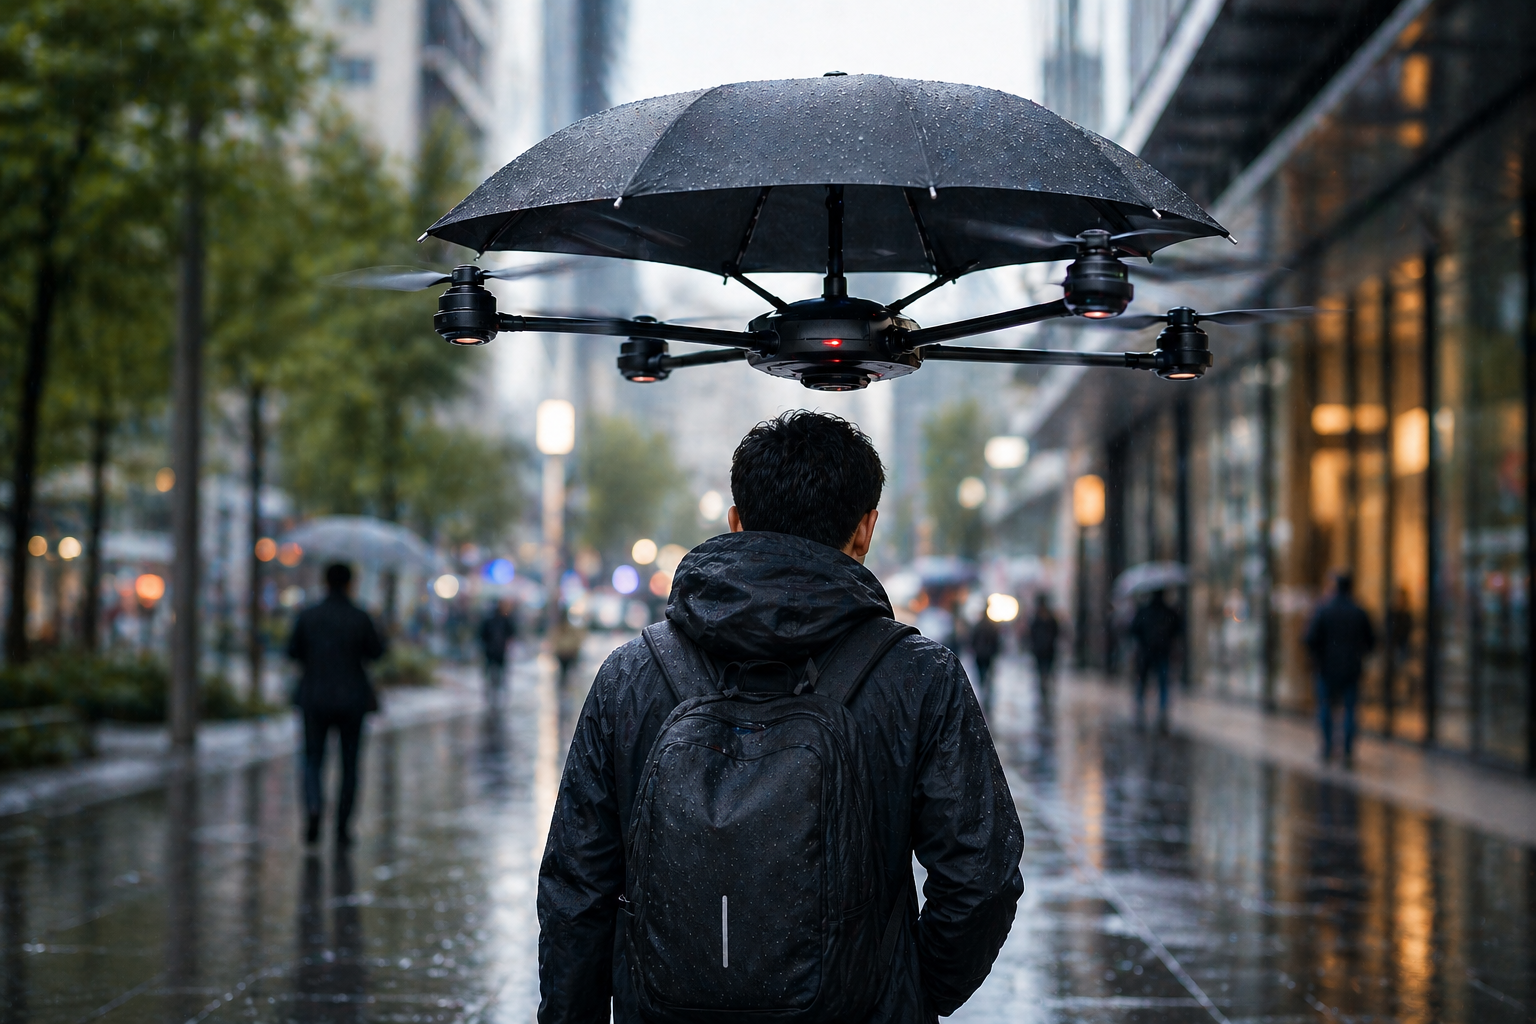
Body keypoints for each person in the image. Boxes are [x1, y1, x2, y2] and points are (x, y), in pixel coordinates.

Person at [538, 411, 1023, 1024]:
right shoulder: (918, 678)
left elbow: (575, 889)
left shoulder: (631, 675)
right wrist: (906, 993)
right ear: (866, 529)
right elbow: (981, 876)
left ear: (736, 521)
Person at [286, 563, 386, 847]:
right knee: (350, 765)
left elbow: (292, 651)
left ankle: (314, 807)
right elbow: (377, 652)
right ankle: (343, 828)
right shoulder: (361, 616)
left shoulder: (308, 615)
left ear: (324, 582)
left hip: (314, 698)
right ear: (350, 583)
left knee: (312, 760)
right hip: (352, 700)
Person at [1304, 571, 1376, 765]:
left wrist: (1318, 656)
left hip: (1327, 668)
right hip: (1351, 668)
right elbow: (1371, 641)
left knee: (1326, 706)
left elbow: (1310, 638)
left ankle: (1327, 747)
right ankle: (1347, 749)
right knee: (1350, 709)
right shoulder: (1359, 611)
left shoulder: (1324, 609)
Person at [1129, 588, 1182, 723]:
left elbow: (1134, 629)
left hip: (1146, 652)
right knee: (1163, 682)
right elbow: (1178, 629)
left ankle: (1140, 704)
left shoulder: (1144, 611)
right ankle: (1162, 708)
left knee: (1143, 680)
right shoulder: (1169, 612)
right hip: (1163, 652)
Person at [478, 598, 517, 699]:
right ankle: (495, 688)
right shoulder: (503, 619)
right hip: (497, 650)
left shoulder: (492, 619)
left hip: (493, 650)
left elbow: (482, 635)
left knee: (493, 670)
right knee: (497, 670)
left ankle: (493, 688)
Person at [1027, 592, 1061, 692]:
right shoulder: (1038, 619)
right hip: (1041, 649)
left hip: (1047, 649)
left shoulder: (1048, 619)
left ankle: (1045, 683)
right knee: (1042, 669)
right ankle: (1043, 684)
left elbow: (1055, 632)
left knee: (1046, 669)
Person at [969, 609, 1001, 711]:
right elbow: (996, 641)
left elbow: (973, 639)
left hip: (980, 654)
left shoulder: (978, 626)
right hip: (988, 654)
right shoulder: (991, 627)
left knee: (981, 674)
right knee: (987, 673)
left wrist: (975, 649)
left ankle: (984, 688)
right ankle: (986, 690)